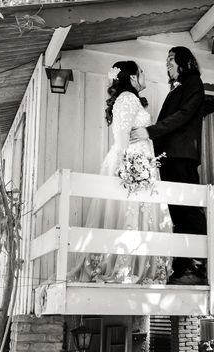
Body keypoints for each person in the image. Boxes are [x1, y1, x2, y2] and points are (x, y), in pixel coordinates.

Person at [68, 61, 173, 284]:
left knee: (140, 215)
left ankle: (137, 265)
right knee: (130, 215)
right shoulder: (128, 98)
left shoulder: (130, 99)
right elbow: (122, 134)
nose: (144, 76)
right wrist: (130, 166)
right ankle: (125, 267)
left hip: (140, 162)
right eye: (141, 72)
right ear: (133, 78)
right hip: (133, 164)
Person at [130, 46, 207, 285]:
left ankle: (198, 266)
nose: (167, 64)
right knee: (176, 211)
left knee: (189, 210)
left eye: (171, 59)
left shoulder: (194, 83)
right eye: (166, 60)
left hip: (183, 157)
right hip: (169, 157)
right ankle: (183, 267)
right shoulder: (177, 89)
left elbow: (182, 116)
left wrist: (149, 132)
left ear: (185, 62)